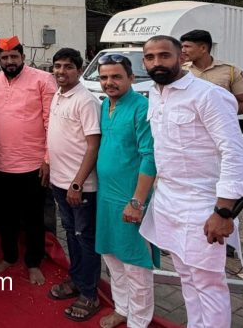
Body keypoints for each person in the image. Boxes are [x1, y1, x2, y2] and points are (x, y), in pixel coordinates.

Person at [140, 35, 243, 328]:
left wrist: (224, 211)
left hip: (204, 205)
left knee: (209, 283)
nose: (157, 62)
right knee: (186, 277)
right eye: (150, 57)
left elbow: (234, 153)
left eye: (164, 55)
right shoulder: (155, 93)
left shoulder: (208, 95)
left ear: (181, 57)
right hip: (168, 202)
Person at [0, 36, 55, 285]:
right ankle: (9, 256)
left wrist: (47, 159)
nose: (10, 61)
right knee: (5, 215)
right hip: (0, 162)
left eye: (14, 57)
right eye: (5, 58)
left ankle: (34, 262)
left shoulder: (43, 80)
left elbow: (51, 122)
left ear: (23, 57)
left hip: (33, 163)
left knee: (34, 217)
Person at [94, 54, 157, 328]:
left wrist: (137, 201)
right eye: (104, 77)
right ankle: (122, 308)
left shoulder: (141, 107)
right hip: (105, 196)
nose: (110, 82)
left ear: (132, 78)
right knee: (111, 256)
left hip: (130, 198)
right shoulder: (104, 105)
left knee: (134, 263)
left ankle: (140, 321)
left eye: (116, 76)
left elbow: (150, 156)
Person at [46, 47, 102, 322]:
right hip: (59, 182)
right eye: (57, 66)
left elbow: (93, 145)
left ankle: (90, 293)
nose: (61, 71)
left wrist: (78, 184)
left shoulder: (86, 100)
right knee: (71, 235)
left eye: (68, 66)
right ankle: (77, 280)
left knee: (85, 239)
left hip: (80, 186)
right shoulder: (58, 95)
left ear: (79, 70)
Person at [180, 29, 243, 114]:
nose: (183, 50)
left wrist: (217, 113)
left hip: (220, 125)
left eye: (187, 46)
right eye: (182, 47)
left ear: (203, 48)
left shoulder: (231, 70)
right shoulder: (180, 70)